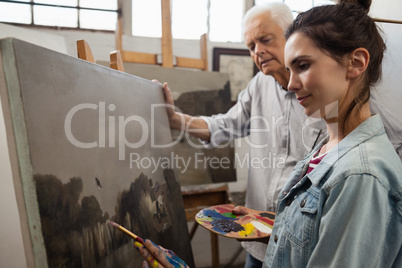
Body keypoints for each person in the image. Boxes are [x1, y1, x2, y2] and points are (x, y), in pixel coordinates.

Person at [134, 1, 402, 267]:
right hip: (271, 240)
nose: (258, 51)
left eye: (265, 39)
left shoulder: (354, 153)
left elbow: (371, 175)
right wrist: (174, 118)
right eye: (251, 46)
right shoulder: (275, 97)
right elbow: (224, 125)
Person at [264, 1, 402, 267]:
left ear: (356, 62)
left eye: (302, 66)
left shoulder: (361, 175)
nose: (291, 84)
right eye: (290, 69)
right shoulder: (329, 146)